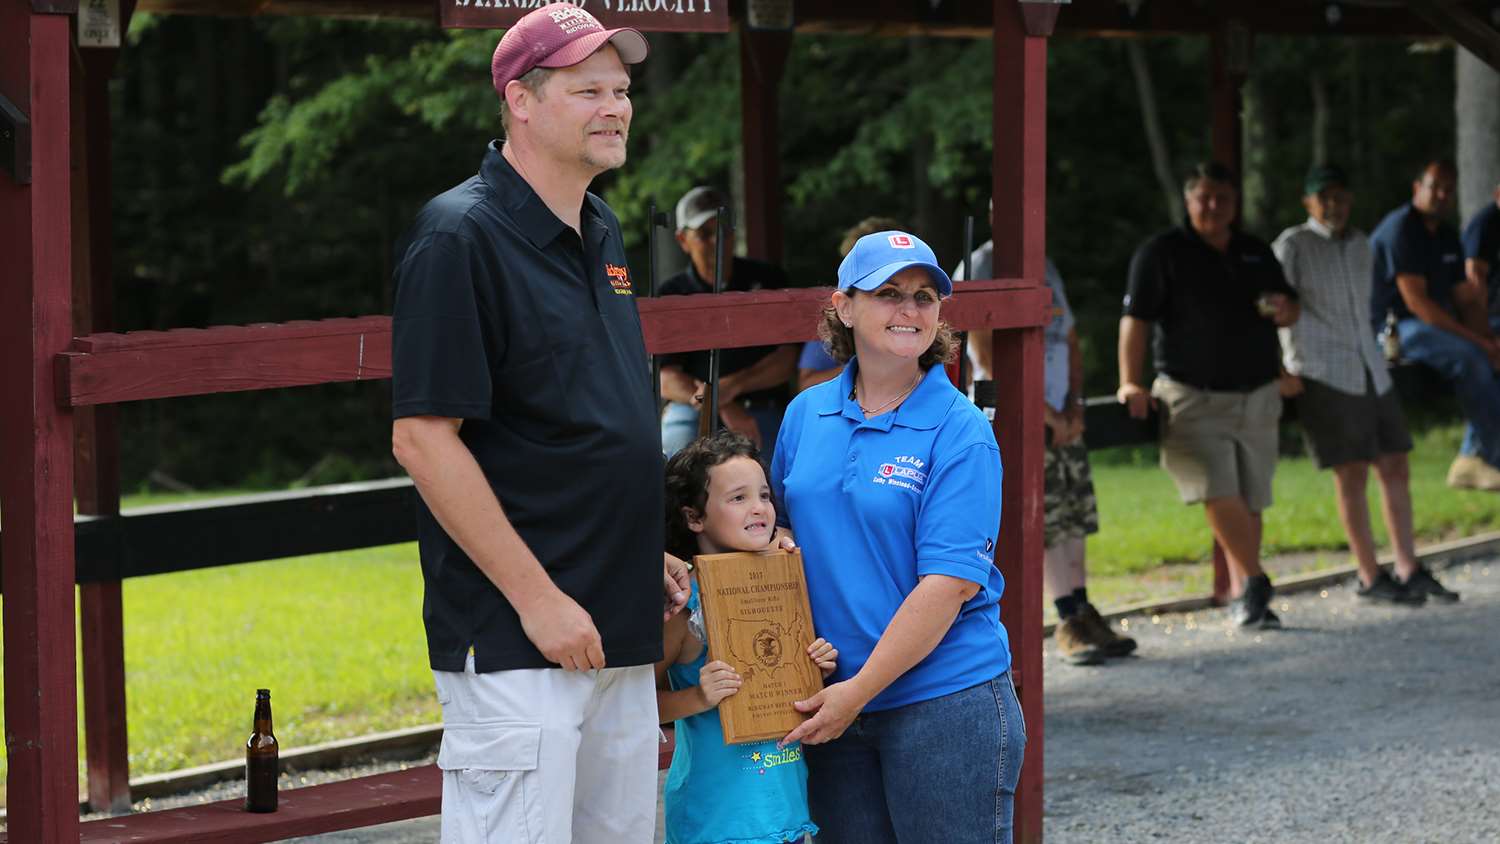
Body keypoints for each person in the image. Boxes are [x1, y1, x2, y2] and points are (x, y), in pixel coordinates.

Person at [389, 7, 689, 841]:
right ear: (520, 100)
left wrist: (641, 546)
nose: (616, 107)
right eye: (588, 89)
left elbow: (582, 423)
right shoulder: (458, 236)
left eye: (622, 90)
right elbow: (421, 438)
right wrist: (539, 601)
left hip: (617, 628)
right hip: (521, 636)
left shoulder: (604, 230)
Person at [770, 231, 1025, 842]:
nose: (909, 310)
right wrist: (774, 541)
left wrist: (855, 692)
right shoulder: (805, 413)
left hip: (945, 704)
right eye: (888, 293)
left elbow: (947, 586)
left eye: (924, 296)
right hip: (832, 701)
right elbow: (778, 521)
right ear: (844, 307)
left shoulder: (959, 430)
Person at [1118, 162, 1301, 629]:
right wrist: (1130, 381)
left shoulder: (1255, 251)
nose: (1213, 206)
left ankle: (1248, 597)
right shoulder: (1162, 252)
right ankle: (1257, 578)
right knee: (1216, 489)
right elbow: (1135, 322)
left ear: (1234, 203)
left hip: (1258, 393)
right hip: (1190, 396)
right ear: (1188, 199)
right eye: (1205, 197)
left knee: (1251, 495)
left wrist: (1284, 310)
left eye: (1222, 198)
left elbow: (1289, 308)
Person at [1274, 164, 1458, 605]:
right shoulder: (1292, 245)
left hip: (1370, 366)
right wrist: (1280, 368)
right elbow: (1273, 308)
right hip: (1323, 368)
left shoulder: (1361, 244)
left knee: (1395, 461)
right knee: (1351, 471)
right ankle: (1369, 573)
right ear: (1309, 203)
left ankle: (1408, 565)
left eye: (1340, 196)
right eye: (1325, 197)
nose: (1334, 205)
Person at [955, 219, 1135, 663]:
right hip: (1017, 417)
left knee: (1073, 515)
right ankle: (1065, 620)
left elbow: (1068, 340)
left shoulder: (1046, 266)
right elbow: (984, 353)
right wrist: (1042, 413)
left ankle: (1081, 606)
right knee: (1046, 518)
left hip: (1059, 417)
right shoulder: (981, 263)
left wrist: (1074, 405)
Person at [657, 430, 838, 844]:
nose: (758, 508)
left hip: (786, 811)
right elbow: (636, 700)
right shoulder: (684, 602)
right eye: (738, 498)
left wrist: (814, 667)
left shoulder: (787, 583)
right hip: (716, 822)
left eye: (764, 495)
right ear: (694, 517)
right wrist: (698, 698)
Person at [1371, 159, 1500, 491]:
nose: (1442, 195)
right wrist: (1478, 343)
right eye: (1435, 187)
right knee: (1470, 356)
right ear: (1418, 188)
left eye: (1449, 190)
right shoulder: (1401, 229)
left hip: (1430, 326)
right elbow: (1418, 304)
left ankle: (1471, 457)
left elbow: (1465, 300)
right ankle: (1489, 457)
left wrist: (1489, 340)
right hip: (1393, 330)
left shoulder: (1445, 235)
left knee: (1487, 355)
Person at [659, 186, 798, 457]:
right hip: (692, 405)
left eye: (724, 230)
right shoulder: (671, 292)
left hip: (761, 404)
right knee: (673, 459)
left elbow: (786, 360)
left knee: (779, 470)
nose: (717, 241)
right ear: (682, 240)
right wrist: (719, 401)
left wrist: (732, 386)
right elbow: (666, 378)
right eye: (704, 234)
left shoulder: (768, 280)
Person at [797, 217, 907, 392]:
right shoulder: (835, 319)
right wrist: (864, 368)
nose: (910, 309)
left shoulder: (921, 319)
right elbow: (806, 384)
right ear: (844, 307)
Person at [1462, 181, 1500, 329]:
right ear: (1497, 195)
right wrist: (1481, 326)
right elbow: (1474, 276)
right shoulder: (1486, 224)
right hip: (1487, 312)